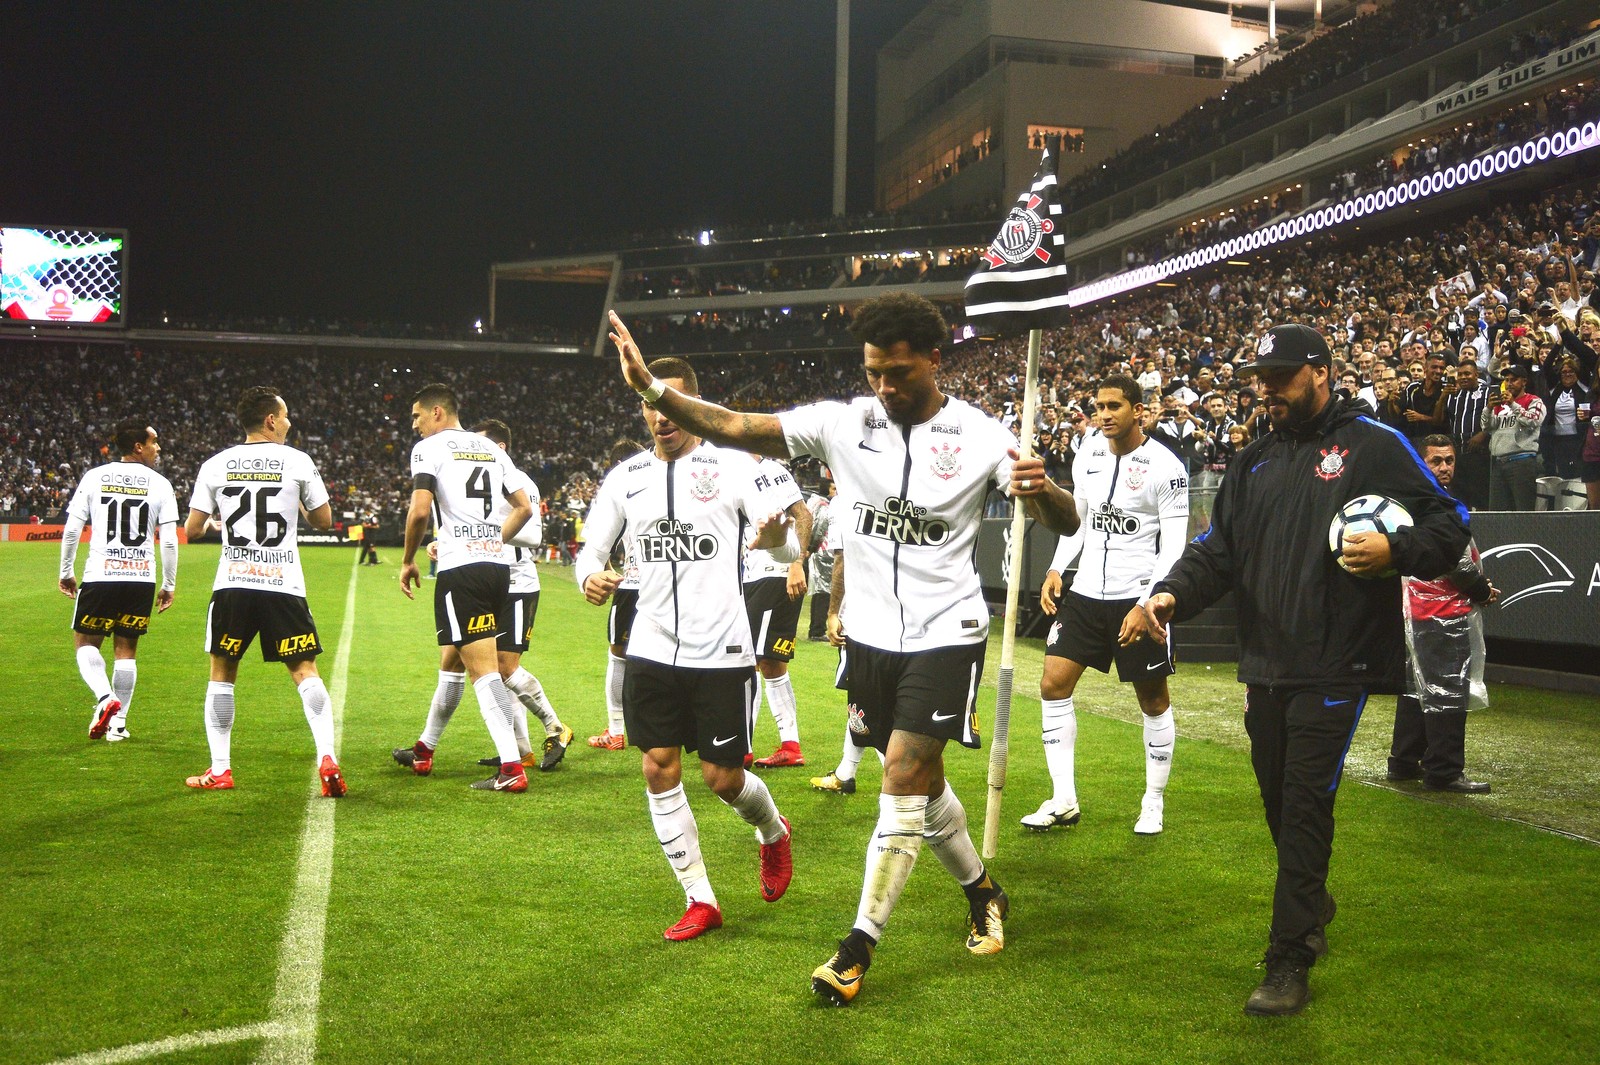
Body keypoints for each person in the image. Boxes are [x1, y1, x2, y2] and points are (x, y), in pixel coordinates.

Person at [606, 294, 1078, 1006]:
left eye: (899, 372)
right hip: (870, 636)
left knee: (901, 772)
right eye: (874, 372)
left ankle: (857, 946)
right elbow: (735, 425)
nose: (885, 387)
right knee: (921, 781)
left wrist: (1041, 491)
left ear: (934, 360)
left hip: (947, 632)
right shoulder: (842, 422)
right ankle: (983, 890)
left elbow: (1064, 516)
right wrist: (651, 389)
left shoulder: (981, 435)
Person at [1127, 324, 1470, 1017]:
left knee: (1306, 801)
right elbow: (1216, 552)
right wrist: (1166, 593)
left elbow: (1450, 518)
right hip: (1265, 662)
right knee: (1280, 799)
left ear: (1321, 371)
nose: (1268, 389)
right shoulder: (1253, 462)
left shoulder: (1373, 444)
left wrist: (1395, 547)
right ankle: (1310, 897)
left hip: (1337, 660)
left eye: (1281, 376)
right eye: (1261, 378)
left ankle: (1290, 956)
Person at [575, 356, 799, 942]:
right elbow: (589, 552)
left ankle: (773, 832)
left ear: (693, 407)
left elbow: (786, 548)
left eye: (669, 403)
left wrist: (778, 541)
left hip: (722, 648)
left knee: (723, 779)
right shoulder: (625, 477)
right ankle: (700, 898)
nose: (659, 416)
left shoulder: (732, 468)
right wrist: (588, 578)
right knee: (657, 767)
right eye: (650, 403)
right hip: (651, 648)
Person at [1027, 375, 1189, 836]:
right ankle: (1063, 799)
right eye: (1099, 406)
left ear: (1139, 410)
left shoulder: (1166, 466)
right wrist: (1058, 567)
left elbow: (1174, 546)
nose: (1104, 414)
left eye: (1115, 405)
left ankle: (1153, 801)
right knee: (1053, 685)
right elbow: (1076, 520)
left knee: (1152, 698)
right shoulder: (1088, 452)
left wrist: (1147, 603)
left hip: (1136, 597)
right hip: (1084, 596)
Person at [183, 387, 346, 796]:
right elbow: (325, 521)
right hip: (283, 584)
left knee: (222, 675)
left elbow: (193, 530)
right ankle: (327, 756)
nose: (290, 422)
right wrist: (301, 506)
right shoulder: (298, 461)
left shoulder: (216, 464)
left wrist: (221, 517)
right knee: (305, 672)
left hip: (234, 583)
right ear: (271, 419)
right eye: (286, 415)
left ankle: (221, 769)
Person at [393, 384, 535, 793]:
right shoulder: (492, 449)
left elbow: (420, 510)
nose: (415, 426)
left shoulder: (431, 449)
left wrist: (408, 560)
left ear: (437, 413)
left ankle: (511, 768)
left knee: (483, 671)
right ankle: (425, 749)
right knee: (453, 661)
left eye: (417, 417)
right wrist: (493, 540)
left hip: (462, 570)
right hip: (497, 568)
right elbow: (524, 506)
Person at [1388, 435, 1497, 794]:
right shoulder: (1436, 505)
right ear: (1421, 464)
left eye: (1449, 460)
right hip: (1443, 613)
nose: (1445, 468)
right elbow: (1455, 560)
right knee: (1448, 691)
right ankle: (1444, 770)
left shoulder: (1408, 502)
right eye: (1436, 461)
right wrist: (1481, 590)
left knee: (1416, 689)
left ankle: (1403, 762)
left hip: (1416, 611)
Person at [59, 418, 180, 742]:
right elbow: (168, 541)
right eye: (154, 442)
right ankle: (118, 725)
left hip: (101, 575)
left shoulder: (95, 477)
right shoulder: (160, 484)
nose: (158, 448)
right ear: (138, 446)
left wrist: (66, 571)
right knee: (126, 650)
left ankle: (104, 697)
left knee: (85, 644)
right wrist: (168, 583)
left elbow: (72, 529)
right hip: (140, 578)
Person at [465, 420, 574, 773]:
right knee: (492, 671)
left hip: (517, 585)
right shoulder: (481, 479)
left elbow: (533, 537)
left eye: (483, 446)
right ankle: (520, 749)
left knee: (505, 667)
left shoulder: (521, 481)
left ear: (501, 448)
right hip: (488, 583)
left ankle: (557, 728)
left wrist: (489, 535)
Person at [742, 456, 810, 768]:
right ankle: (790, 746)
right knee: (771, 663)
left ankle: (741, 746)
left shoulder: (770, 470)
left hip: (774, 572)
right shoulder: (729, 469)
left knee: (753, 660)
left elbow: (804, 516)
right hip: (752, 576)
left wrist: (797, 563)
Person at [587, 437, 643, 751]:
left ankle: (617, 730)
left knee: (618, 656)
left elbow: (601, 544)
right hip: (666, 585)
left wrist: (607, 571)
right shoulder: (659, 481)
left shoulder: (619, 487)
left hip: (632, 585)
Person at [1475, 362, 1545, 510]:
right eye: (1506, 380)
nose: (1509, 383)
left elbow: (1533, 420)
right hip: (1498, 462)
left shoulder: (1533, 400)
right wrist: (1488, 408)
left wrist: (1513, 404)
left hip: (1522, 461)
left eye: (1513, 380)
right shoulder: (1500, 405)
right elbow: (1486, 427)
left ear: (1524, 381)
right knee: (1496, 512)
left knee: (1523, 510)